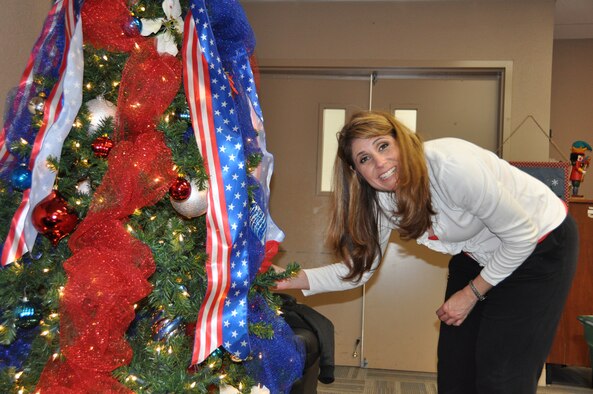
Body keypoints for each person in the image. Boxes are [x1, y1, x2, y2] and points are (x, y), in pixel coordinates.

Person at [274, 110, 579, 394]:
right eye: (365, 158)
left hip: (539, 248)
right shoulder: (379, 200)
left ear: (401, 141)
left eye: (383, 146)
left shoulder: (451, 166)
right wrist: (288, 279)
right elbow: (358, 271)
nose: (379, 163)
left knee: (502, 376)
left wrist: (471, 293)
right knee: (455, 371)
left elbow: (521, 236)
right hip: (479, 256)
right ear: (355, 171)